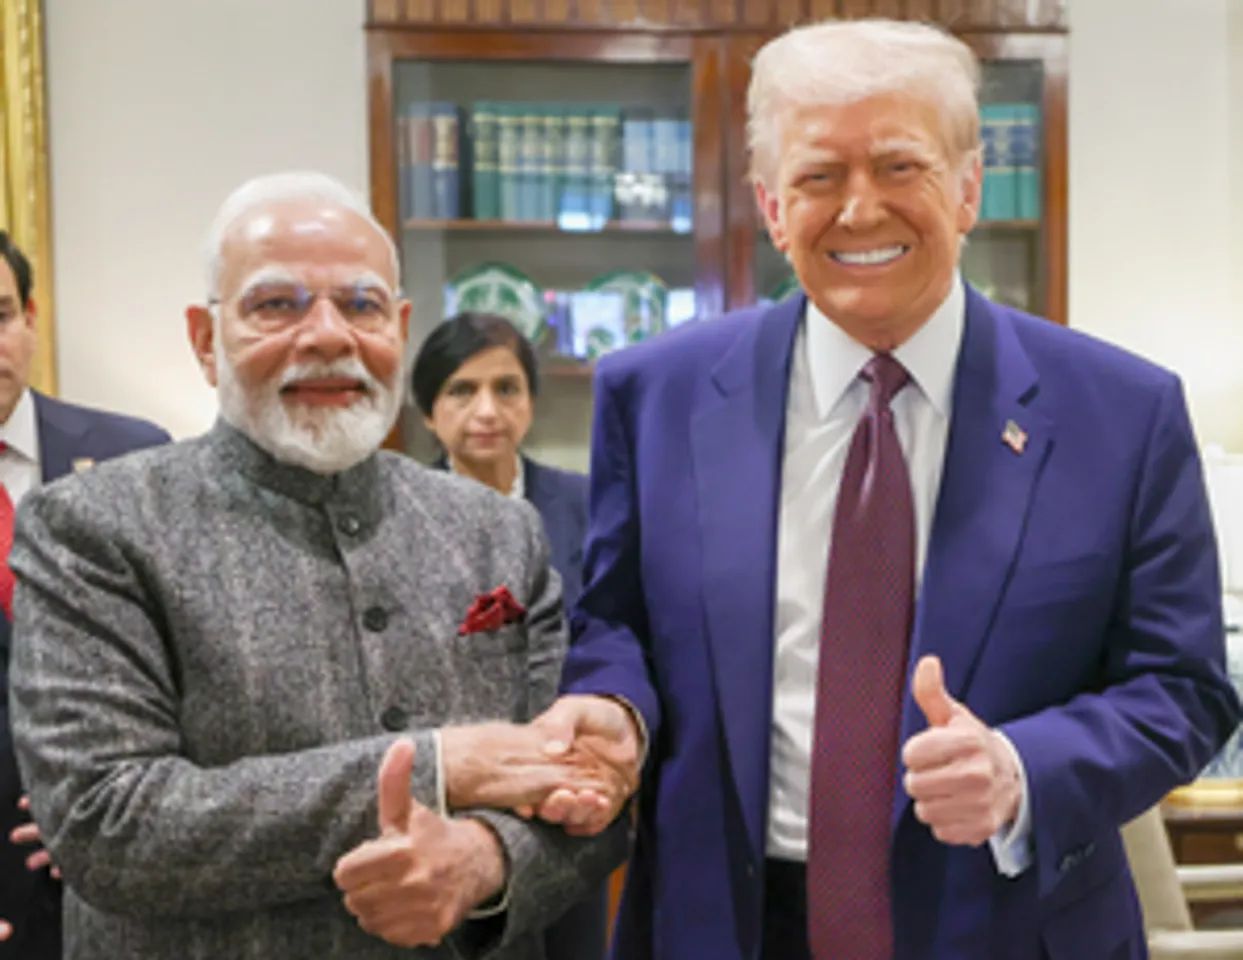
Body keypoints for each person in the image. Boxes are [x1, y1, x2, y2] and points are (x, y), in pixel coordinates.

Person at [530, 18, 1243, 960]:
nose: (860, 210)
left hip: (1005, 923)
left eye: (900, 166)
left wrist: (1024, 769)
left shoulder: (1122, 412)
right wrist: (612, 708)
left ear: (967, 188)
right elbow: (615, 622)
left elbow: (1184, 688)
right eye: (819, 176)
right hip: (725, 926)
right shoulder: (653, 394)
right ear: (772, 207)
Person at [6, 170, 629, 960]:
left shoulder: (498, 531)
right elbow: (106, 821)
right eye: (277, 304)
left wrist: (484, 862)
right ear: (206, 339)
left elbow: (586, 797)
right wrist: (444, 766)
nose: (330, 334)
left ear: (399, 329)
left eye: (362, 304)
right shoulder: (93, 526)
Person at [0, 230, 171, 959]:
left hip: (121, 874)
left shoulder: (135, 459)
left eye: (0, 315)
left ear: (31, 318)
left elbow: (194, 660)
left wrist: (111, 817)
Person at [412, 311, 603, 959]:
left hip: (573, 800)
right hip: (451, 806)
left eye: (506, 388)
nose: (486, 410)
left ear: (530, 402)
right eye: (461, 391)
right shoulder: (397, 518)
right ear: (428, 412)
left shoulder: (587, 503)